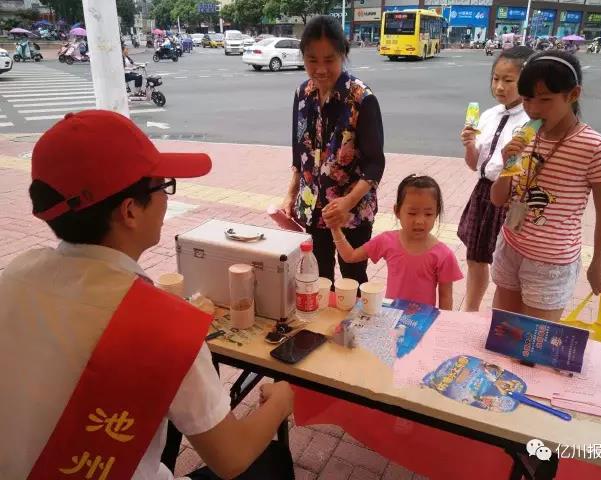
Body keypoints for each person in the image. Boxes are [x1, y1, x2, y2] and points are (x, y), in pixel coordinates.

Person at [0, 110, 295, 480]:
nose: (167, 198)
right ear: (129, 212)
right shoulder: (165, 326)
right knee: (271, 463)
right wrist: (281, 401)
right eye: (163, 186)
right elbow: (231, 457)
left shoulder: (13, 275)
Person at [490, 51, 601, 321]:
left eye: (545, 100)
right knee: (503, 332)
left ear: (572, 94)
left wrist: (599, 264)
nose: (534, 109)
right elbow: (498, 199)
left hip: (551, 261)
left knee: (533, 346)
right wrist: (507, 164)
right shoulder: (522, 134)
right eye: (526, 99)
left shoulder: (593, 146)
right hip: (511, 245)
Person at [283, 15, 385, 285]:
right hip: (312, 208)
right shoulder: (302, 94)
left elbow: (375, 164)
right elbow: (299, 151)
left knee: (354, 279)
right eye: (311, 60)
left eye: (329, 60)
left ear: (343, 54)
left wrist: (348, 202)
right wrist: (291, 194)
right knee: (317, 277)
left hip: (352, 212)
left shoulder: (361, 98)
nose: (320, 69)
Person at [457, 46, 533, 311]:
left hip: (513, 198)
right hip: (483, 192)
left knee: (509, 264)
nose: (500, 86)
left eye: (508, 80)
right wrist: (469, 145)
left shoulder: (532, 120)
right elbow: (473, 165)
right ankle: (471, 311)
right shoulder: (489, 115)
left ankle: (505, 315)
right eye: (496, 79)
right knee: (476, 258)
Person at [329, 175, 463, 309]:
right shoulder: (387, 240)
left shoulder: (444, 255)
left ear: (436, 213)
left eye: (428, 214)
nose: (420, 221)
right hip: (391, 318)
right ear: (397, 211)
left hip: (422, 324)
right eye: (412, 213)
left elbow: (446, 298)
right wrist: (335, 229)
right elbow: (350, 256)